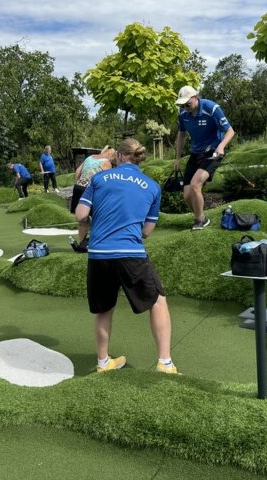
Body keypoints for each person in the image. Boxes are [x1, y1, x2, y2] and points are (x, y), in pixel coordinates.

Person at [75, 138, 179, 375]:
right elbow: (146, 232)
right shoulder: (152, 186)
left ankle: (103, 363)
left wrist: (94, 220)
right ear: (139, 158)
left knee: (104, 309)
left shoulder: (99, 178)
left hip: (99, 254)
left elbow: (81, 215)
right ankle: (165, 363)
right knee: (158, 300)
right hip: (131, 253)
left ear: (120, 156)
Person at [174, 86, 235, 230]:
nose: (185, 107)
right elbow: (181, 134)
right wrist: (177, 158)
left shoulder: (211, 108)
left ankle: (199, 221)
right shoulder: (183, 113)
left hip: (213, 152)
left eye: (187, 103)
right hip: (196, 152)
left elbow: (230, 131)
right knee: (187, 195)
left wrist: (221, 146)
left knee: (195, 184)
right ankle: (201, 217)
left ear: (195, 97)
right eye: (182, 104)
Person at [69, 146, 117, 252]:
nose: (113, 161)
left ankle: (82, 244)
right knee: (100, 216)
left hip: (78, 188)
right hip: (91, 191)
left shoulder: (89, 157)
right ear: (111, 155)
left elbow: (77, 171)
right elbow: (108, 181)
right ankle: (100, 242)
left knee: (83, 219)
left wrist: (79, 183)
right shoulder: (106, 162)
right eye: (114, 159)